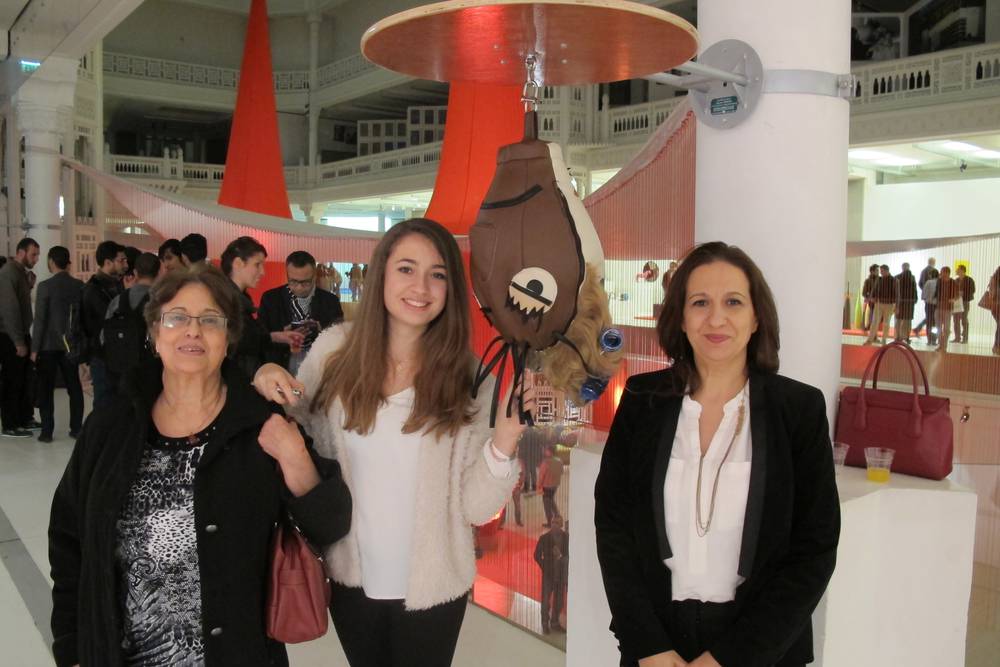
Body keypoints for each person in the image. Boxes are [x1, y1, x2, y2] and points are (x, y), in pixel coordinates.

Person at [251, 218, 531, 667]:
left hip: (434, 587)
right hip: (350, 575)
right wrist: (265, 375)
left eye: (437, 274)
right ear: (380, 274)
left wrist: (504, 440)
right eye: (406, 268)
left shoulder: (471, 376)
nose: (420, 286)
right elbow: (292, 424)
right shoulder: (335, 352)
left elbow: (476, 507)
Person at [48, 264, 352, 667]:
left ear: (228, 340)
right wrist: (71, 646)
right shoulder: (111, 427)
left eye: (209, 320)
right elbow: (69, 543)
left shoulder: (259, 425)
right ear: (155, 334)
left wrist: (296, 456)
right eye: (176, 318)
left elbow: (329, 527)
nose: (192, 331)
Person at [595, 241, 840, 667]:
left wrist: (732, 658)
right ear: (681, 317)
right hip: (657, 648)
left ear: (756, 316)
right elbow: (613, 529)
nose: (716, 318)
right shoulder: (641, 399)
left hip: (760, 650)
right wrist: (648, 645)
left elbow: (814, 548)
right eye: (700, 302)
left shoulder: (798, 410)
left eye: (733, 302)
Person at [220, 236, 303, 381]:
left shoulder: (238, 299)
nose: (262, 272)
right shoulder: (224, 301)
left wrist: (276, 336)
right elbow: (238, 345)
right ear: (238, 263)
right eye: (257, 264)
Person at [257, 251, 344, 375]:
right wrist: (282, 336)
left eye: (305, 282)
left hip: (320, 371)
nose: (299, 287)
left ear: (314, 276)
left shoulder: (330, 301)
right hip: (281, 368)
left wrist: (321, 332)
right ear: (287, 275)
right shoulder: (271, 299)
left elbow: (340, 340)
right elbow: (261, 338)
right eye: (293, 281)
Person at [31, 246, 85, 443]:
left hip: (47, 345)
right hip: (70, 344)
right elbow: (81, 319)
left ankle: (47, 432)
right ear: (68, 262)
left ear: (51, 261)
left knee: (46, 388)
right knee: (74, 387)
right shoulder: (79, 285)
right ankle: (76, 428)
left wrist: (34, 348)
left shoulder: (45, 287)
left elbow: (40, 321)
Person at [101, 252, 161, 388]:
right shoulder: (163, 301)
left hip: (122, 368)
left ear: (135, 272)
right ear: (159, 272)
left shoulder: (118, 300)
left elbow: (104, 336)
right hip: (152, 369)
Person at [0, 238, 41, 438]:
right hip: (9, 336)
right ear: (21, 252)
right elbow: (10, 309)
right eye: (33, 254)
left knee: (25, 378)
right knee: (13, 380)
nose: (36, 259)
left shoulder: (20, 274)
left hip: (21, 333)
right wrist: (17, 341)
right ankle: (10, 423)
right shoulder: (8, 273)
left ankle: (24, 417)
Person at [81, 240, 127, 409]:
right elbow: (109, 320)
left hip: (115, 354)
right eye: (121, 260)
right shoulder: (94, 290)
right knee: (104, 403)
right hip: (101, 356)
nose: (125, 265)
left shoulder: (116, 285)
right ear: (108, 262)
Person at [534, 515, 569, 634]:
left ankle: (555, 622)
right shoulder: (544, 538)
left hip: (560, 575)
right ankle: (545, 623)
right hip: (549, 575)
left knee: (559, 601)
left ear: (561, 525)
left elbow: (569, 556)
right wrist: (545, 567)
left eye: (557, 523)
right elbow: (536, 555)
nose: (554, 524)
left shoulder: (566, 538)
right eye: (553, 522)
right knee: (545, 601)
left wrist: (561, 557)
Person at [865, 264, 896, 345]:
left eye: (882, 271)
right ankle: (870, 339)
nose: (880, 273)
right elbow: (874, 290)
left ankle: (884, 339)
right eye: (880, 271)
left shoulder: (894, 280)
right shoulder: (879, 280)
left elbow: (897, 294)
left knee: (886, 323)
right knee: (874, 321)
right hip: (878, 303)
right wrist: (872, 297)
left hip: (889, 304)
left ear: (886, 271)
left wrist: (896, 305)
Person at [538, 444, 564, 527]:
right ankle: (557, 515)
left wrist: (539, 486)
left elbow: (541, 475)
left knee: (547, 504)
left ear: (550, 452)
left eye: (546, 450)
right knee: (551, 500)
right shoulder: (559, 461)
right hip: (555, 485)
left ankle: (549, 522)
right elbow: (561, 472)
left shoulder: (545, 462)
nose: (544, 451)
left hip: (547, 486)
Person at [894, 262, 917, 344]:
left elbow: (914, 289)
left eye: (907, 267)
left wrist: (915, 299)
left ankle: (905, 336)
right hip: (902, 302)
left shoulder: (911, 277)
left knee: (907, 320)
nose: (906, 268)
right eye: (905, 267)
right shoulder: (898, 277)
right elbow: (895, 290)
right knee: (900, 320)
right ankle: (898, 336)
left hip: (909, 302)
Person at [936, 266, 957, 353]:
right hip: (938, 307)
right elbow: (936, 293)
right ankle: (940, 345)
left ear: (948, 273)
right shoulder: (939, 281)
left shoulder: (953, 282)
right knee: (938, 327)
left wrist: (953, 299)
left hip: (948, 308)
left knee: (947, 328)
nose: (942, 274)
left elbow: (957, 294)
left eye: (943, 272)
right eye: (941, 272)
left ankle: (944, 346)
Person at [952, 265, 975, 344]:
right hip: (956, 302)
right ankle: (957, 338)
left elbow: (972, 290)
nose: (956, 271)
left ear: (962, 270)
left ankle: (965, 338)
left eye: (957, 269)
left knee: (964, 320)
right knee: (956, 320)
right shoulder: (956, 280)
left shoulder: (969, 280)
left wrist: (963, 293)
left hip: (965, 302)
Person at [916, 271, 938, 345]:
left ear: (931, 275)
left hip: (929, 304)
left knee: (929, 322)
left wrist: (925, 299)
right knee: (935, 323)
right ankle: (934, 339)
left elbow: (924, 293)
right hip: (937, 305)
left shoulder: (928, 282)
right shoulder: (940, 282)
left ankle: (929, 340)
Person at [860, 264, 878, 331]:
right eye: (876, 270)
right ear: (872, 271)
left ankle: (870, 328)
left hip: (880, 301)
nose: (878, 272)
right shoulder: (868, 281)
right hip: (871, 302)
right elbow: (864, 292)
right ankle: (869, 327)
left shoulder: (880, 279)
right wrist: (870, 298)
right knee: (871, 315)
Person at [988, 265, 1000, 355]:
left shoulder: (993, 280)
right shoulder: (995, 282)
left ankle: (996, 347)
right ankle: (997, 346)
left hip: (995, 307)